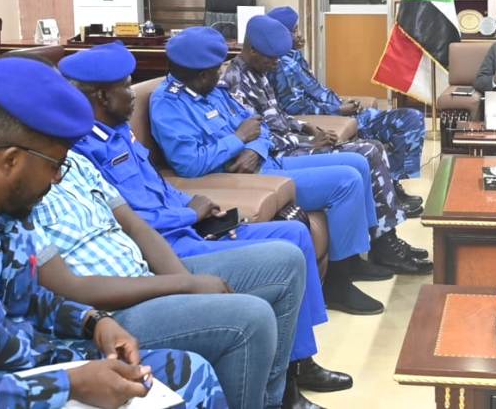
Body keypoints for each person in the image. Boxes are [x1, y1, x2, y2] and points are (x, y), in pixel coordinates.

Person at [0, 57, 225, 408]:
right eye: (55, 165)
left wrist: (93, 322)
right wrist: (66, 386)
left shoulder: (2, 207)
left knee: (189, 374)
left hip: (34, 365)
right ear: (11, 160)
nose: (58, 178)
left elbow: (28, 298)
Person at [54, 41, 351, 408]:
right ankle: (284, 388)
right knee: (277, 268)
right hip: (168, 244)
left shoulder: (118, 133)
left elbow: (161, 186)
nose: (132, 96)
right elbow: (137, 216)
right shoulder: (85, 150)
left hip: (185, 229)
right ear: (102, 96)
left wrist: (198, 207)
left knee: (293, 237)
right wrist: (189, 215)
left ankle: (293, 373)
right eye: (126, 88)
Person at [31, 150, 311, 409]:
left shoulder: (75, 160)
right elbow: (68, 288)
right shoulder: (26, 180)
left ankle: (270, 402)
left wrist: (184, 283)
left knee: (286, 260)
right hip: (111, 315)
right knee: (251, 317)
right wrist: (186, 286)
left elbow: (134, 226)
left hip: (146, 276)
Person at [148, 26, 394, 314]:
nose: (220, 75)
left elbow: (258, 125)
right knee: (346, 180)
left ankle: (351, 259)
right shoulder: (168, 104)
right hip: (241, 178)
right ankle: (337, 284)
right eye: (215, 71)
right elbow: (189, 163)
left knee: (357, 163)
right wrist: (238, 139)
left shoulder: (214, 92)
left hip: (265, 161)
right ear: (202, 75)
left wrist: (255, 148)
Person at [220, 16, 432, 276]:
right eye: (271, 58)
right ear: (252, 49)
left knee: (371, 149)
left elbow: (277, 116)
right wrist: (309, 142)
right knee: (366, 152)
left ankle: (384, 242)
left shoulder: (258, 72)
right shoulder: (235, 83)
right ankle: (381, 248)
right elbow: (258, 135)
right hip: (280, 154)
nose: (276, 63)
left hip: (290, 143)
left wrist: (305, 127)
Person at [265, 6, 426, 187]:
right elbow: (296, 108)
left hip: (345, 113)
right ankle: (394, 184)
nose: (300, 35)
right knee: (410, 120)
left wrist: (342, 101)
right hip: (335, 118)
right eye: (294, 31)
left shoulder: (294, 57)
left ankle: (394, 181)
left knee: (413, 118)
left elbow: (317, 92)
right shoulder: (281, 65)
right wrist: (339, 109)